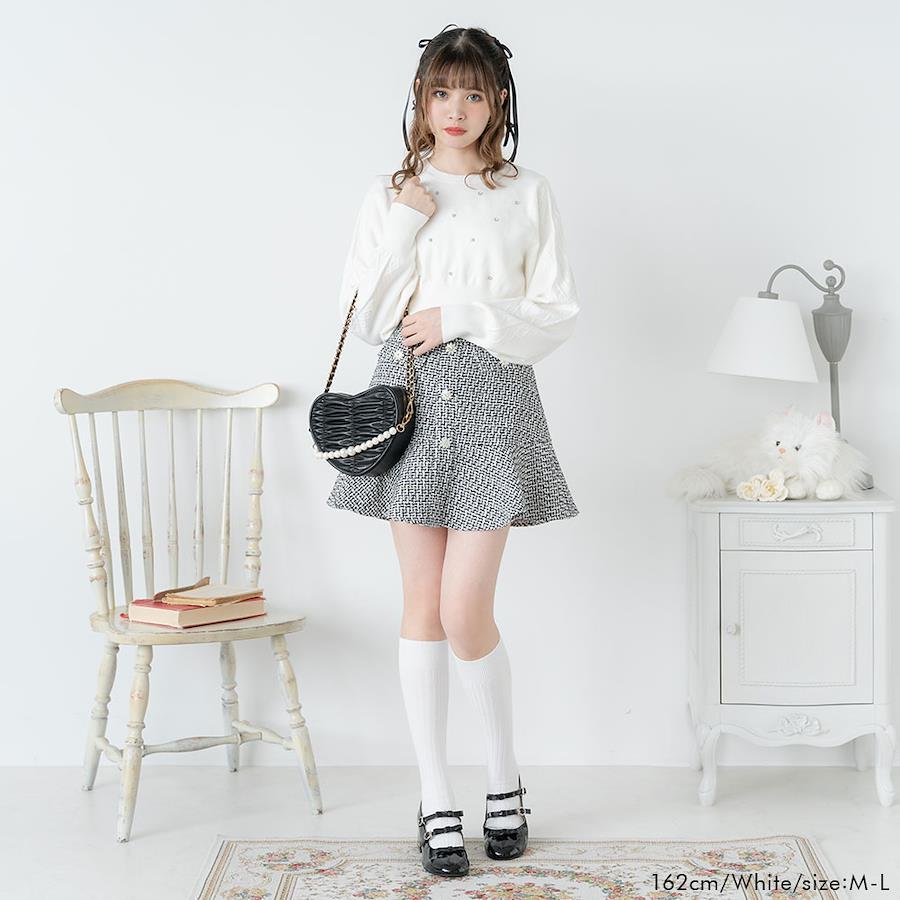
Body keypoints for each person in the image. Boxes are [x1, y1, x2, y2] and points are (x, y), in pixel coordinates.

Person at [323, 24, 580, 878]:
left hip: (495, 394)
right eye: (441, 92)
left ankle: (503, 773)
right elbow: (365, 318)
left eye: (472, 92)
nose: (456, 109)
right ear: (421, 99)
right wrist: (405, 221)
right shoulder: (392, 192)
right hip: (410, 393)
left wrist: (463, 315)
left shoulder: (527, 192)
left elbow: (556, 313)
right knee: (422, 605)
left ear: (498, 99)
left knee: (467, 608)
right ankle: (436, 795)